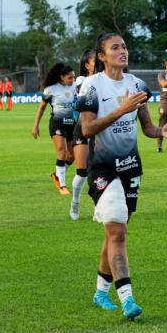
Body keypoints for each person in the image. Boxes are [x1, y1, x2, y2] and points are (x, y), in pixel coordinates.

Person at [77, 33, 167, 320]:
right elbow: (86, 130)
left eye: (124, 46)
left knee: (114, 232)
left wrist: (162, 131)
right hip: (103, 169)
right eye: (115, 47)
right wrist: (121, 109)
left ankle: (100, 292)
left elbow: (146, 126)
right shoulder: (91, 86)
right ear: (101, 56)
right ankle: (128, 300)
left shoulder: (136, 84)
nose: (122, 51)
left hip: (131, 168)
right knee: (118, 232)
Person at [32, 63, 77, 195]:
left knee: (72, 155)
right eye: (69, 77)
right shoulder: (51, 89)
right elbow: (42, 107)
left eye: (73, 77)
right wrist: (36, 126)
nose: (72, 80)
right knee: (62, 152)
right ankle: (62, 185)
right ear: (62, 77)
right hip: (57, 123)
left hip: (71, 124)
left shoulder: (75, 87)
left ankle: (56, 175)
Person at [70, 50, 96, 220]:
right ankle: (75, 202)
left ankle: (98, 207)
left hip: (100, 129)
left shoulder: (106, 80)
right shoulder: (81, 81)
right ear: (87, 65)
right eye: (95, 61)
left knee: (98, 172)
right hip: (82, 128)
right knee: (82, 172)